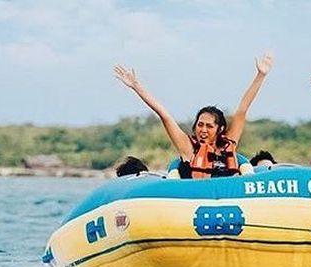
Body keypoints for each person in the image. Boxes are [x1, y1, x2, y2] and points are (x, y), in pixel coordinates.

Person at [114, 53, 273, 179]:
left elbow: (242, 110)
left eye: (209, 126)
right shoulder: (187, 147)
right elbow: (164, 115)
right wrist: (136, 86)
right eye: (200, 124)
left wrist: (261, 75)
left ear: (220, 129)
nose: (203, 130)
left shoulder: (229, 143)